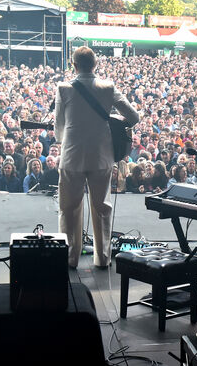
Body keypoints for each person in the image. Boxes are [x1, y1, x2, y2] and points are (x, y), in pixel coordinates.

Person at [55, 47, 140, 269]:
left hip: (72, 156)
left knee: (69, 208)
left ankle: (70, 258)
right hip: (101, 156)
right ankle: (102, 257)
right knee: (102, 206)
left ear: (74, 65)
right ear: (96, 64)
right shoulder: (108, 87)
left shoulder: (64, 89)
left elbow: (58, 130)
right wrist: (111, 120)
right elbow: (133, 117)